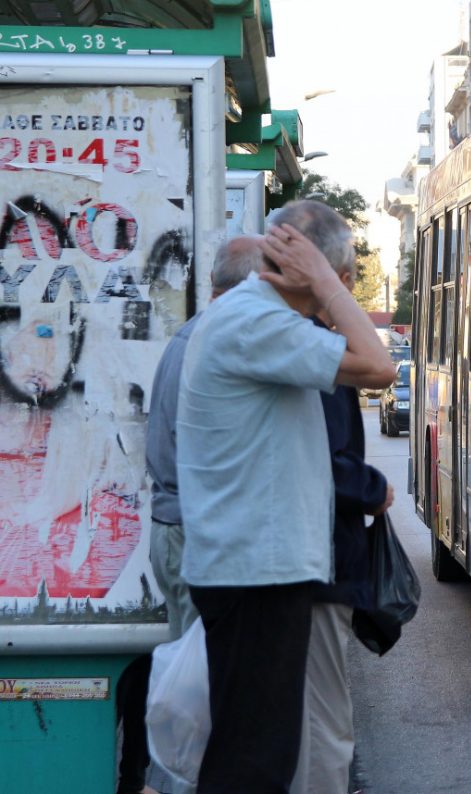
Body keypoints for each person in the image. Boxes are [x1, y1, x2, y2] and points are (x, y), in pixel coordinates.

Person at [177, 199, 394, 793]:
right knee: (253, 766)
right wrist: (325, 281)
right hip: (256, 573)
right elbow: (379, 364)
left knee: (258, 755)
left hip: (258, 569)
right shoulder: (258, 322)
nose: (337, 288)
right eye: (335, 273)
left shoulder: (263, 323)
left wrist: (320, 280)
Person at [113, 237, 262, 794]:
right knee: (198, 704)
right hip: (196, 536)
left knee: (194, 695)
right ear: (250, 287)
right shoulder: (217, 344)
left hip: (178, 529)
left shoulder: (189, 338)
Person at [290, 236, 394, 794]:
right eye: (346, 275)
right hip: (315, 563)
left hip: (289, 564)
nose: (351, 287)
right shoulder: (301, 347)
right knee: (326, 724)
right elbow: (379, 368)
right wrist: (373, 488)